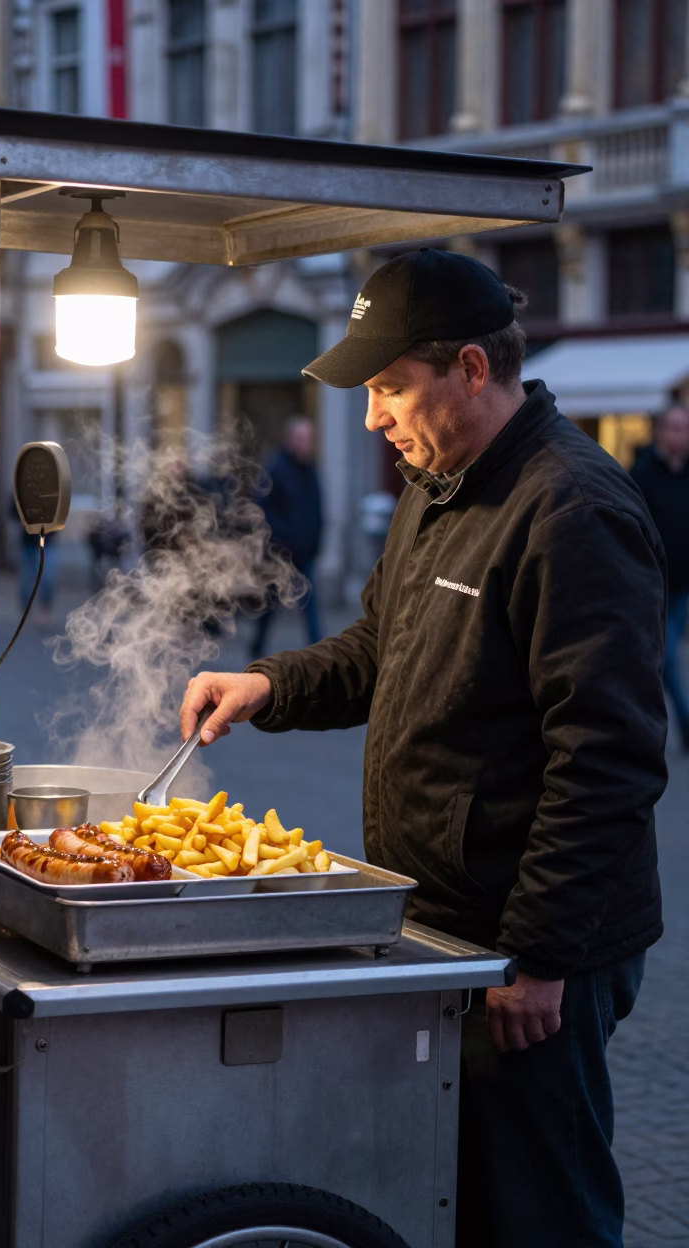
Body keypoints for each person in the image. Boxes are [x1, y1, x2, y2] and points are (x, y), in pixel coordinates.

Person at [180, 248, 668, 1248]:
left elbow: (607, 758)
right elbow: (378, 648)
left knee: (544, 1209)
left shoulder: (572, 507)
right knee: (461, 1193)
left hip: (531, 945)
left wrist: (536, 957)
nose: (373, 418)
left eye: (391, 388)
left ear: (471, 371)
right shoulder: (434, 487)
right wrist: (269, 686)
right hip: (442, 920)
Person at [631, 406, 689, 750]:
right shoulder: (642, 474)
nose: (679, 435)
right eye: (673, 428)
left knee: (663, 659)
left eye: (684, 429)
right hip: (654, 584)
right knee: (663, 659)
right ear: (660, 432)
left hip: (684, 584)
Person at [249, 416, 324, 659]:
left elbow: (316, 509)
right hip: (279, 554)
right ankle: (256, 646)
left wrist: (316, 541)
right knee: (269, 605)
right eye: (302, 438)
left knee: (309, 605)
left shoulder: (310, 470)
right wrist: (282, 539)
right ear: (291, 440)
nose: (307, 444)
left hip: (304, 553)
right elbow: (262, 509)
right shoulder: (276, 469)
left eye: (309, 439)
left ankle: (319, 650)